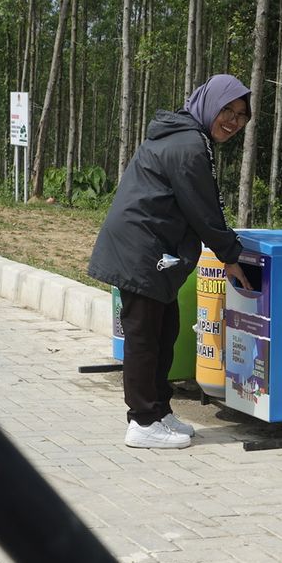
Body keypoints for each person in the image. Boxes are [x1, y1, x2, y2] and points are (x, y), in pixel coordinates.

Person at [88, 74, 253, 449]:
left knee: (165, 333)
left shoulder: (190, 138)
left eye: (241, 114)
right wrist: (230, 256)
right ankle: (142, 421)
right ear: (209, 104)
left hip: (152, 250)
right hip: (140, 249)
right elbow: (203, 211)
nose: (232, 120)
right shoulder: (189, 145)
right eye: (227, 109)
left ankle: (159, 411)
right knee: (145, 337)